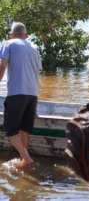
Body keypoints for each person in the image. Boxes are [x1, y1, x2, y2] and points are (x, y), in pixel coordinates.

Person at [0, 22, 42, 168]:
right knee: (25, 129)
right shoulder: (35, 48)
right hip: (33, 95)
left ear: (11, 35)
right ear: (26, 35)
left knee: (10, 131)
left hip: (16, 93)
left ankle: (26, 158)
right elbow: (37, 74)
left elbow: (3, 66)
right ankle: (23, 162)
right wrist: (35, 102)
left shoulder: (8, 44)